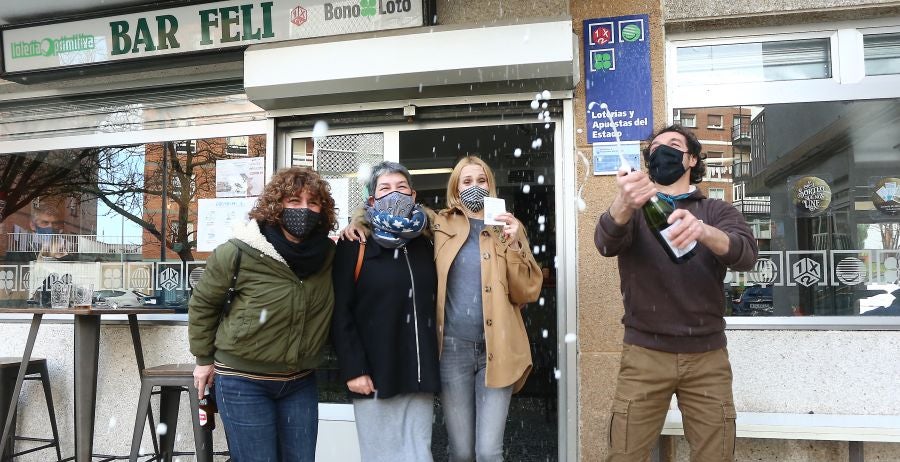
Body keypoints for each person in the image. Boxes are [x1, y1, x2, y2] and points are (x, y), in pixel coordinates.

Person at [343, 155, 543, 462]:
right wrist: (358, 221)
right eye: (466, 181)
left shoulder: (508, 226)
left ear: (491, 185)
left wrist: (516, 244)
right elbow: (398, 220)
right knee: (461, 451)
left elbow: (527, 290)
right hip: (452, 349)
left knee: (489, 451)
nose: (474, 186)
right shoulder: (438, 223)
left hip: (498, 346)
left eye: (481, 180)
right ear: (455, 187)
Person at [594, 125, 759, 462]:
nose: (661, 151)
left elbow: (746, 254)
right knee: (624, 454)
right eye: (655, 147)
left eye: (672, 145)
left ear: (691, 159)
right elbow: (605, 242)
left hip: (707, 357)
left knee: (715, 456)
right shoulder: (636, 211)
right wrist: (623, 202)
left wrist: (703, 231)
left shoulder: (716, 210)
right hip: (644, 354)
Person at [189, 167, 338, 462]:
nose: (304, 209)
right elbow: (204, 305)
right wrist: (203, 360)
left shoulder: (329, 255)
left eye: (313, 202)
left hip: (300, 381)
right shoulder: (239, 252)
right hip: (243, 380)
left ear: (323, 210)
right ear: (275, 206)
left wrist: (359, 223)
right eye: (294, 201)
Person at [331, 161, 440, 462]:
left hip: (419, 370)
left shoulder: (428, 242)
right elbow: (341, 313)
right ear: (372, 199)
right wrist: (354, 369)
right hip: (375, 372)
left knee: (419, 455)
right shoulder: (355, 244)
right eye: (385, 188)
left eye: (401, 187)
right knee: (380, 456)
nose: (395, 193)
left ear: (414, 194)